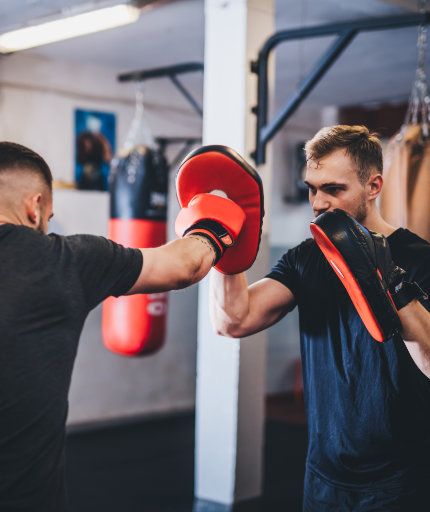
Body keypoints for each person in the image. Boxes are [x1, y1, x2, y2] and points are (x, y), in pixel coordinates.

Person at [0, 141, 244, 511]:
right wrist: (216, 223)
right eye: (49, 218)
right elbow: (184, 266)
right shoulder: (63, 260)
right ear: (35, 208)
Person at [210, 125, 430, 511]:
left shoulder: (418, 258)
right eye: (312, 188)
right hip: (324, 475)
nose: (318, 202)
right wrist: (225, 247)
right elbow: (234, 320)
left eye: (334, 189)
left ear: (374, 186)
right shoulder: (305, 258)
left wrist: (392, 283)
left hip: (402, 476)